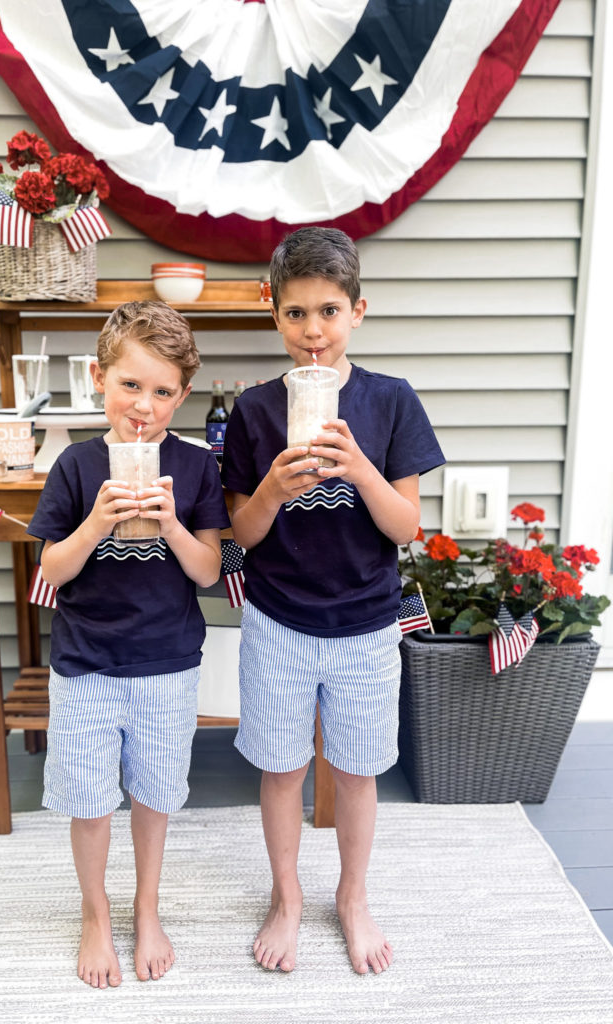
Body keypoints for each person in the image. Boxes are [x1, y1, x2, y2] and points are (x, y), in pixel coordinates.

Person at [221, 227, 445, 976]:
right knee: (282, 768)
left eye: (327, 311)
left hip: (365, 621)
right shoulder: (254, 412)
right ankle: (287, 896)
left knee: (357, 770)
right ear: (273, 313)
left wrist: (359, 469)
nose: (312, 332)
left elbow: (406, 525)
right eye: (294, 314)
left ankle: (352, 896)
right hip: (278, 617)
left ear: (358, 311)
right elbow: (240, 533)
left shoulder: (390, 402)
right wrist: (276, 490)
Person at [27, 301, 229, 989]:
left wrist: (172, 524)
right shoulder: (77, 467)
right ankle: (94, 912)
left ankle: (146, 908)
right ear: (98, 380)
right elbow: (51, 570)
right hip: (86, 664)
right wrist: (93, 524)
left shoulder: (198, 470)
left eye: (163, 391)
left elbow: (207, 571)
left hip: (166, 661)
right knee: (88, 800)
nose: (144, 406)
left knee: (154, 794)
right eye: (130, 385)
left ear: (183, 394)